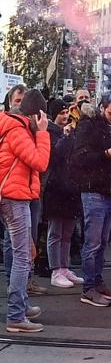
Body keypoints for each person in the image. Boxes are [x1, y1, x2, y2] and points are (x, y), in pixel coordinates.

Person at [70, 94, 111, 306]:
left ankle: (97, 282)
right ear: (102, 108)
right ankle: (88, 288)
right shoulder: (88, 126)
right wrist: (106, 153)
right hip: (93, 190)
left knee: (101, 243)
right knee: (93, 243)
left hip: (108, 190)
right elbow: (79, 158)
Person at [0, 90, 52, 332]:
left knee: (24, 253)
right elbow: (39, 162)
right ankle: (15, 316)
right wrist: (42, 134)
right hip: (14, 197)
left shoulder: (14, 126)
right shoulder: (17, 130)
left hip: (16, 195)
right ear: (35, 114)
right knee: (22, 257)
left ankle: (20, 305)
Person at [41, 105, 84, 289]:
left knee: (68, 232)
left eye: (67, 113)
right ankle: (55, 269)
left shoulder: (71, 132)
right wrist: (65, 137)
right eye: (62, 113)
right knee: (55, 231)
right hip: (56, 188)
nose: (66, 116)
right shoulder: (50, 132)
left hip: (71, 188)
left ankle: (64, 267)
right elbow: (54, 156)